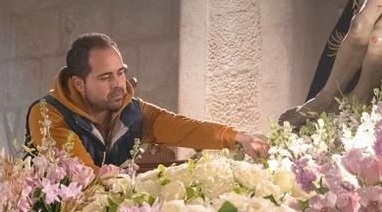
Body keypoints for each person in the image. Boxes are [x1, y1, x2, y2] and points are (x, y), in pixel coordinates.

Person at [27, 33, 269, 167]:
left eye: (120, 73)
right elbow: (82, 175)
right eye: (105, 77)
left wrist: (238, 138)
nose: (118, 85)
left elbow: (183, 128)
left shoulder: (131, 111)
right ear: (79, 84)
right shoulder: (48, 114)